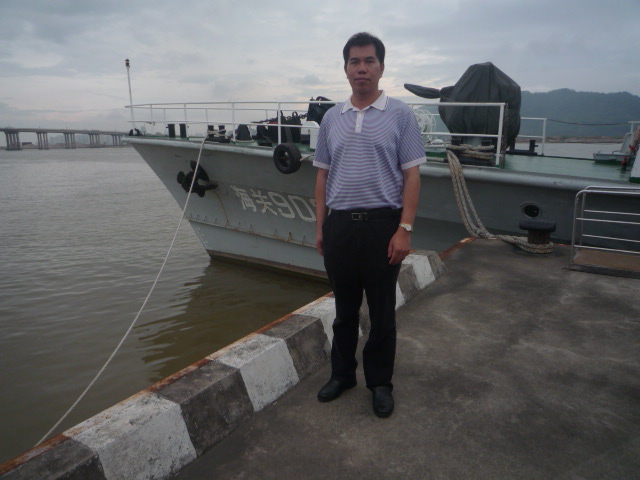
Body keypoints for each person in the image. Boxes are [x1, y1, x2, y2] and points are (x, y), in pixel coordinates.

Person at [313, 32, 426, 418]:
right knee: (344, 311)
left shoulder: (400, 114)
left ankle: (380, 383)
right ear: (345, 69)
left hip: (382, 226)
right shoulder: (331, 118)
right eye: (354, 61)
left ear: (381, 67)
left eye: (369, 61)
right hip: (340, 227)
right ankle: (342, 375)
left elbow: (412, 176)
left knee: (382, 313)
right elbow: (322, 176)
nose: (361, 68)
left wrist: (404, 229)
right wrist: (321, 227)